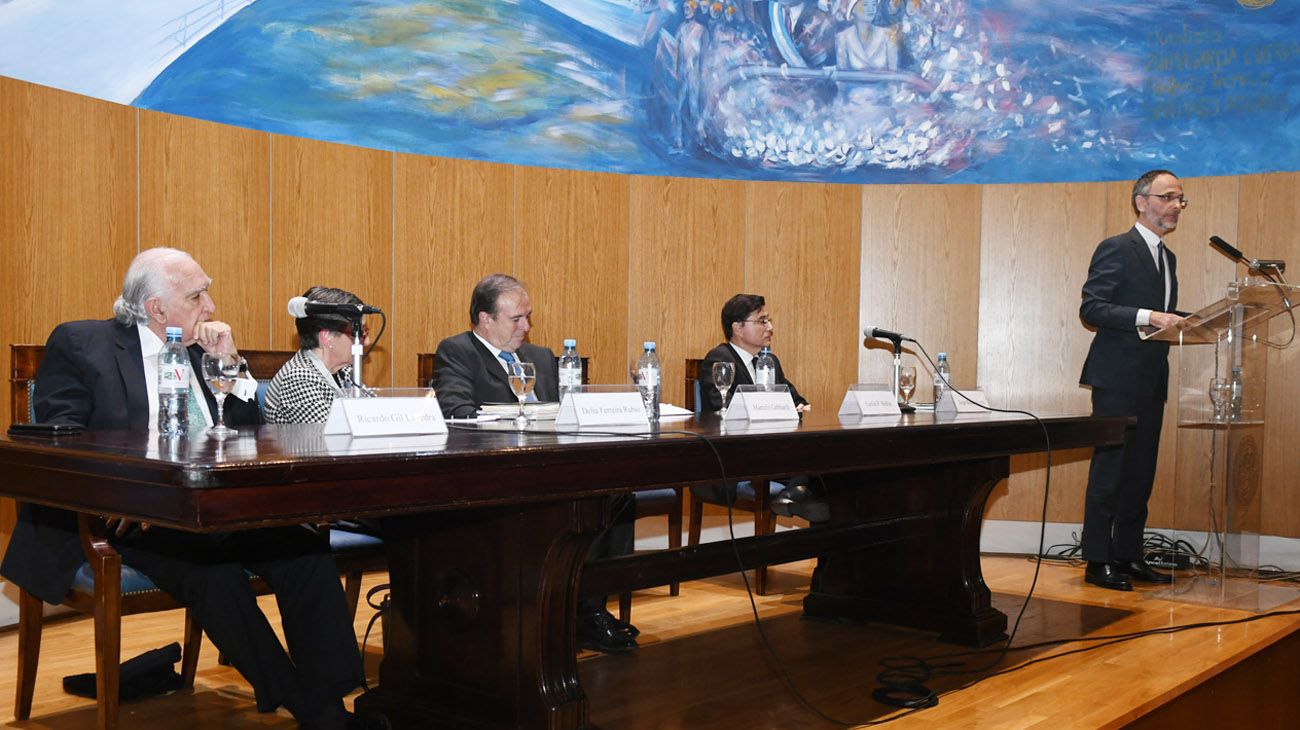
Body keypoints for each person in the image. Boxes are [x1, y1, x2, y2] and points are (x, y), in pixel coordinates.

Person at [0, 248, 366, 728]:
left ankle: (331, 697)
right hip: (127, 517)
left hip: (212, 507)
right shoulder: (82, 343)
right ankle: (306, 706)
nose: (211, 306)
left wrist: (230, 367)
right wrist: (132, 492)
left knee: (305, 550)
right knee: (212, 573)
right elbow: (64, 435)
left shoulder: (202, 352)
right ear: (156, 308)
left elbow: (246, 436)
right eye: (197, 296)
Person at [431, 273, 639, 653]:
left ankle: (587, 609)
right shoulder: (458, 351)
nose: (526, 327)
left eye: (529, 317)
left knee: (619, 497)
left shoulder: (540, 357)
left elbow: (569, 411)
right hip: (495, 474)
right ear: (485, 319)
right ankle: (561, 610)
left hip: (552, 468)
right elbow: (456, 412)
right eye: (516, 319)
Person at [1079, 169, 1187, 592]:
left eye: (1181, 199)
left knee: (1141, 472)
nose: (1176, 205)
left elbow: (1162, 318)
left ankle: (1128, 555)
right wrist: (1149, 316)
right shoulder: (1117, 248)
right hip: (1116, 379)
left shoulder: (1168, 258)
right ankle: (1097, 560)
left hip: (1150, 379)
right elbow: (1093, 309)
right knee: (1110, 471)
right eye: (1168, 197)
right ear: (1142, 202)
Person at [698, 293, 821, 520]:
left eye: (769, 320)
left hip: (773, 450)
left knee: (827, 465)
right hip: (738, 456)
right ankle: (798, 490)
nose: (770, 327)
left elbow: (794, 398)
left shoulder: (769, 361)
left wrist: (800, 406)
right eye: (762, 321)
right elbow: (723, 410)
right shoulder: (719, 359)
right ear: (738, 327)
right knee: (815, 470)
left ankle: (800, 496)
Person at [264, 285, 370, 424]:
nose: (367, 341)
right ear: (327, 337)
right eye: (359, 333)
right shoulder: (298, 378)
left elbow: (376, 418)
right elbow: (329, 438)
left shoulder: (344, 372)